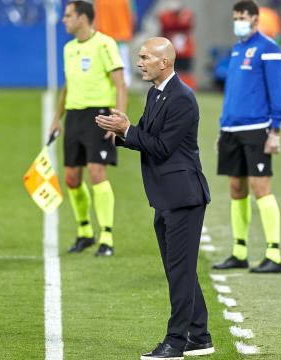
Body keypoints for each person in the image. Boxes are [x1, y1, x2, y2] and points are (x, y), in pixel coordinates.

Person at [96, 37, 213, 359]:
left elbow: (161, 147)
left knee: (179, 271)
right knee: (180, 270)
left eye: (145, 57)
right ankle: (200, 336)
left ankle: (176, 342)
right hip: (165, 196)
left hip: (184, 198)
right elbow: (146, 137)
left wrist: (128, 129)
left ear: (164, 62)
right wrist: (119, 132)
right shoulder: (156, 93)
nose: (139, 62)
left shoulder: (183, 99)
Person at [211, 0, 281, 274]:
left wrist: (275, 130)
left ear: (255, 19)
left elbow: (277, 91)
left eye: (243, 17)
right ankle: (239, 252)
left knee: (261, 188)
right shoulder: (236, 50)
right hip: (232, 130)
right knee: (236, 188)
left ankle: (274, 254)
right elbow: (232, 92)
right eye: (236, 17)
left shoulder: (269, 49)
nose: (238, 21)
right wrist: (222, 127)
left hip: (257, 129)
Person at [50, 0, 127, 257]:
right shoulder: (69, 48)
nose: (64, 20)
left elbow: (120, 84)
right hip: (74, 116)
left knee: (97, 172)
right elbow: (68, 86)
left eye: (68, 15)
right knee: (72, 178)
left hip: (99, 115)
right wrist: (56, 118)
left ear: (83, 18)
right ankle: (85, 232)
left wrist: (117, 119)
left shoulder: (105, 44)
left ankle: (107, 236)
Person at [94, 0, 135, 86]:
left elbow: (131, 12)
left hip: (119, 33)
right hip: (108, 33)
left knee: (122, 58)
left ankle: (125, 81)